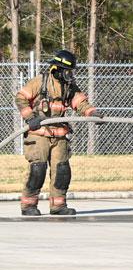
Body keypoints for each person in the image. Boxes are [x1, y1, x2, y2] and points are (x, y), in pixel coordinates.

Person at [16, 48, 98, 216]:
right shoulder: (40, 82)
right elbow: (21, 98)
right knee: (37, 170)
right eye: (68, 71)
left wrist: (92, 113)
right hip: (38, 134)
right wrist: (30, 117)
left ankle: (58, 205)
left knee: (62, 171)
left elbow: (80, 103)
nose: (70, 75)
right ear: (57, 69)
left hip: (59, 136)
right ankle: (28, 205)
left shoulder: (69, 86)